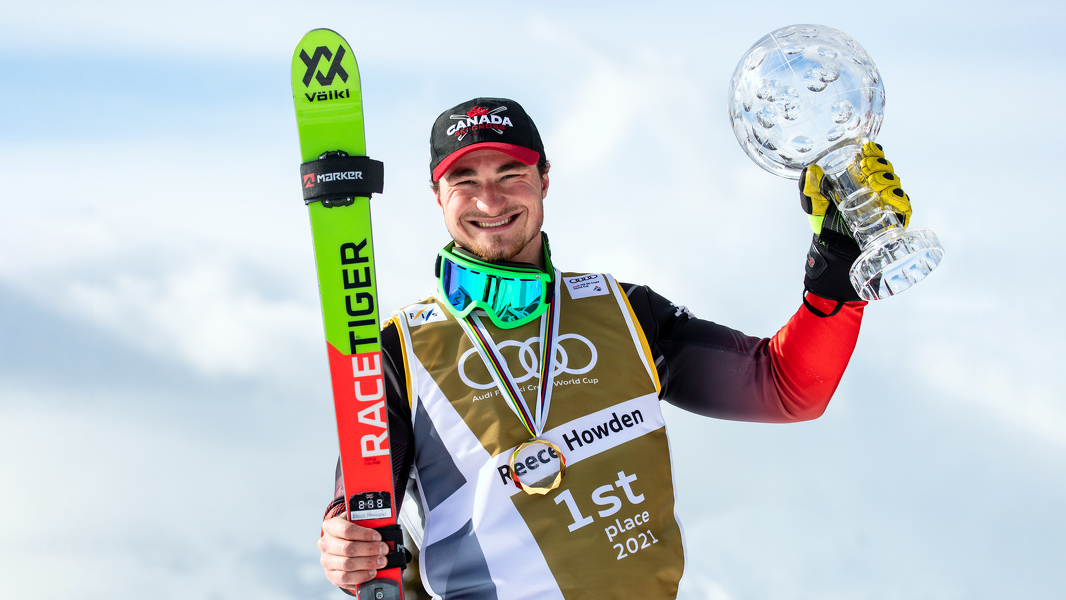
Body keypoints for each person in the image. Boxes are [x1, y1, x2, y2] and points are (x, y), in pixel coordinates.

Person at [318, 97, 910, 598]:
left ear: (544, 180)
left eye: (510, 176)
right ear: (437, 194)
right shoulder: (396, 348)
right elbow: (362, 517)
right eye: (464, 181)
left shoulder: (624, 311)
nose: (490, 202)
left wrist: (836, 269)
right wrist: (344, 544)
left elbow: (786, 389)